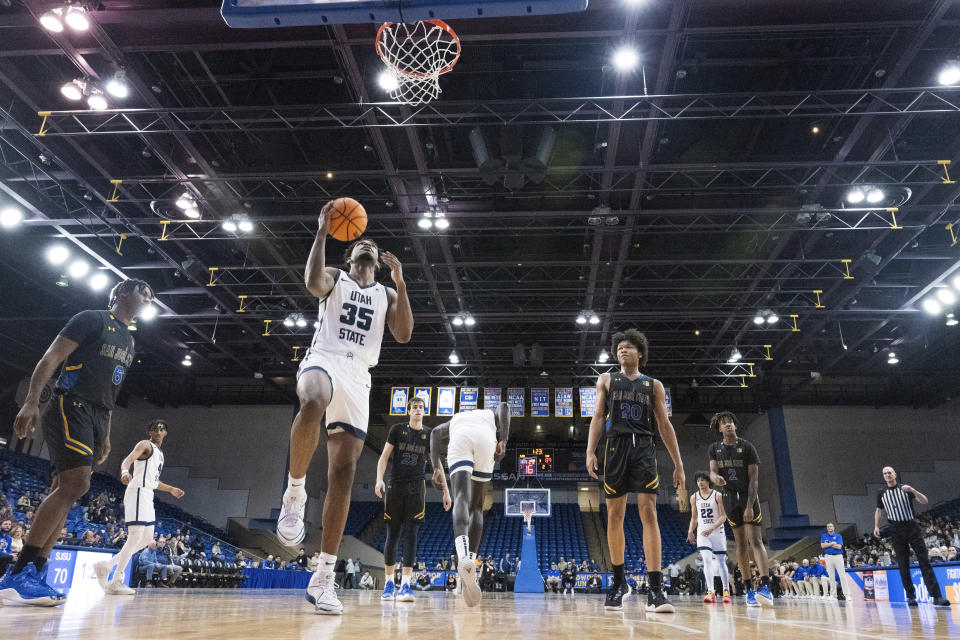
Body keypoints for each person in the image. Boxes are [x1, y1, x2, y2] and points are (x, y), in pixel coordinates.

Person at [276, 202, 413, 616]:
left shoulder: (387, 292)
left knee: (343, 475)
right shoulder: (336, 278)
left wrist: (402, 284)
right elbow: (313, 283)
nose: (367, 246)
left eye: (372, 243)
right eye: (361, 244)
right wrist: (321, 231)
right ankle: (295, 493)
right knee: (313, 398)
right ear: (349, 255)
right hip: (325, 356)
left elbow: (404, 334)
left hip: (359, 378)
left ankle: (324, 577)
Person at [0, 279, 153, 607]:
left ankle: (33, 573)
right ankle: (19, 573)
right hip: (71, 403)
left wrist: (107, 433)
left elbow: (112, 392)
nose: (149, 298)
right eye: (144, 291)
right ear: (122, 292)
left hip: (98, 415)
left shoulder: (128, 340)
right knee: (75, 484)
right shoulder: (92, 319)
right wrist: (31, 401)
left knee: (68, 492)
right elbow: (51, 358)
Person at [585, 329, 685, 612]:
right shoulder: (606, 379)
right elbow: (597, 416)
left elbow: (664, 426)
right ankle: (619, 583)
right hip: (615, 447)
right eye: (619, 348)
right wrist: (591, 450)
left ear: (640, 353)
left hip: (643, 447)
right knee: (614, 515)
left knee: (648, 512)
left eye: (628, 347)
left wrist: (679, 464)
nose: (622, 351)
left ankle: (655, 589)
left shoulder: (653, 385)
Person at [430, 402, 511, 608]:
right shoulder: (488, 414)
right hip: (486, 439)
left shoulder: (455, 420)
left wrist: (436, 468)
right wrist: (503, 439)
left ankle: (463, 557)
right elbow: (504, 406)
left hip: (460, 438)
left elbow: (434, 434)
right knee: (476, 506)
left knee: (461, 499)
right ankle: (468, 566)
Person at [93, 419, 184, 595]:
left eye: (162, 428)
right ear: (150, 431)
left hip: (148, 494)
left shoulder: (160, 454)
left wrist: (171, 489)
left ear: (165, 433)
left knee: (146, 539)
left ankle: (107, 566)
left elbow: (154, 482)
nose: (158, 430)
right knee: (135, 537)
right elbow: (127, 460)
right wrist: (125, 472)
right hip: (137, 491)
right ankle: (116, 579)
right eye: (155, 428)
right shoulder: (145, 444)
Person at [708, 411, 773, 607]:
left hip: (747, 496)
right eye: (723, 423)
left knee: (755, 540)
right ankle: (748, 590)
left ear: (735, 425)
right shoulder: (714, 449)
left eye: (730, 422)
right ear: (719, 428)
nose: (727, 425)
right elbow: (712, 471)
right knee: (739, 544)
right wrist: (715, 478)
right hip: (729, 498)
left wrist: (749, 505)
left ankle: (765, 586)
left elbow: (754, 479)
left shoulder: (747, 447)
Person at [375, 395, 430, 602]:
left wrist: (446, 491)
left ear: (424, 411)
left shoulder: (429, 434)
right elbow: (384, 457)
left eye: (420, 407)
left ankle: (406, 585)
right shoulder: (397, 430)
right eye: (414, 407)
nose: (417, 410)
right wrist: (379, 479)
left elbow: (436, 464)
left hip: (417, 488)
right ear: (409, 411)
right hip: (395, 486)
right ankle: (389, 583)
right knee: (393, 535)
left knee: (412, 536)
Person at [874, 466, 951, 607]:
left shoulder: (905, 489)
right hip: (895, 529)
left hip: (911, 526)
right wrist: (876, 526)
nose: (888, 475)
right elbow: (879, 510)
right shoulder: (881, 493)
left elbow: (925, 501)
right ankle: (910, 597)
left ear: (895, 474)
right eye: (885, 473)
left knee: (924, 561)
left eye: (890, 472)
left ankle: (937, 596)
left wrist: (912, 490)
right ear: (883, 476)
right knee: (903, 564)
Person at [687, 471, 731, 604]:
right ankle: (711, 592)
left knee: (721, 561)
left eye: (703, 480)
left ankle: (725, 591)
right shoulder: (694, 497)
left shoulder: (717, 495)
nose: (700, 482)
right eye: (698, 480)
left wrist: (712, 528)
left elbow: (723, 516)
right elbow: (694, 518)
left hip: (717, 531)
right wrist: (690, 531)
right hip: (702, 532)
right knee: (706, 560)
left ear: (708, 481)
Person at [820, 523, 846, 600]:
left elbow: (839, 546)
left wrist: (828, 544)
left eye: (831, 526)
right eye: (828, 526)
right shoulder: (824, 536)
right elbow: (822, 546)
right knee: (831, 577)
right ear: (827, 528)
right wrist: (832, 543)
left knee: (842, 576)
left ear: (834, 527)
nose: (829, 527)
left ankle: (847, 594)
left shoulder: (838, 536)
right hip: (828, 556)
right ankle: (833, 595)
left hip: (838, 556)